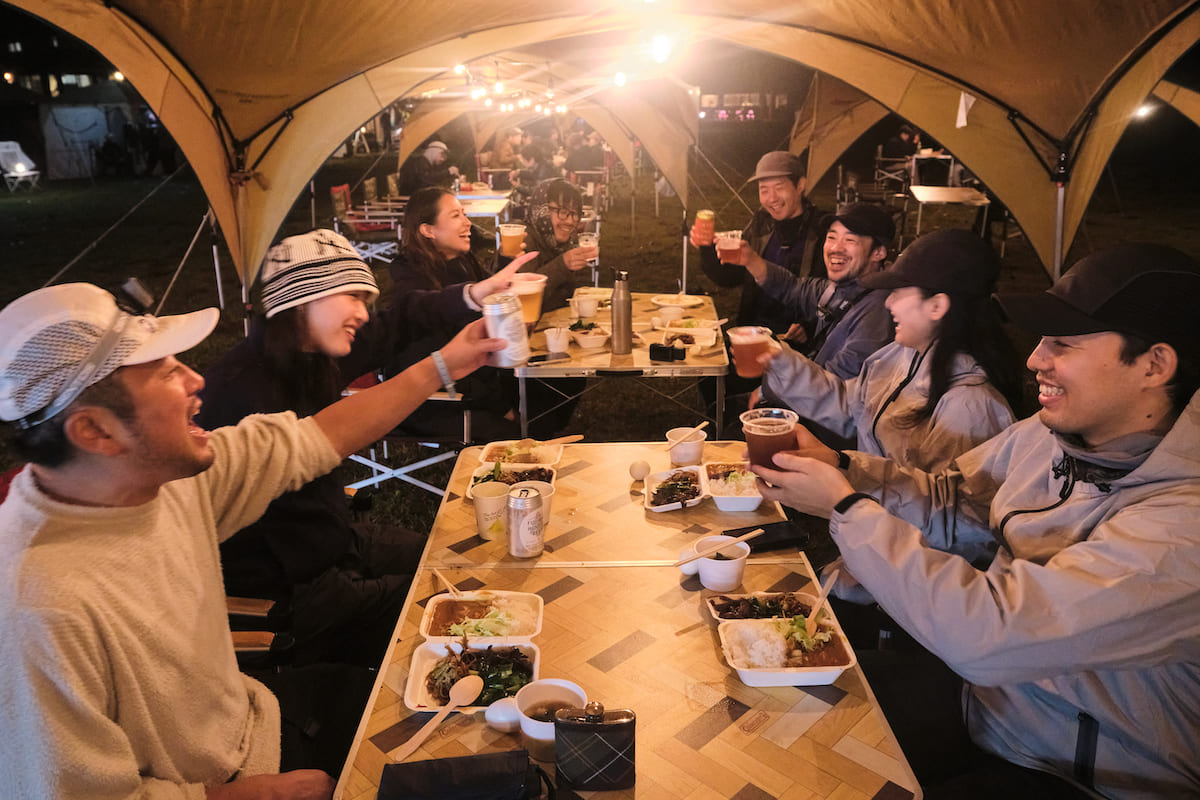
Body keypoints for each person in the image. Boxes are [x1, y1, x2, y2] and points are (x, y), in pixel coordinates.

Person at [0, 281, 504, 798]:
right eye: (166, 372)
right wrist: (257, 793)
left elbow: (318, 436)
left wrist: (445, 364)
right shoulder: (37, 608)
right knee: (458, 772)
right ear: (95, 431)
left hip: (254, 714)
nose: (196, 378)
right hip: (219, 779)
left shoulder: (156, 481)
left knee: (472, 712)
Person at [752, 244, 1200, 799]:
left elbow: (993, 634)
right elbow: (955, 503)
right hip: (985, 706)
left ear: (1155, 365)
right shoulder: (1050, 435)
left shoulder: (1182, 526)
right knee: (787, 701)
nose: (1035, 359)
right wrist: (844, 469)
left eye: (1063, 343)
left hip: (1082, 773)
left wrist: (847, 510)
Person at [197, 229, 528, 666]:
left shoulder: (308, 352)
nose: (362, 313)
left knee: (459, 564)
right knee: (460, 613)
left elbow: (398, 321)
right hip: (292, 592)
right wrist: (440, 367)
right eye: (351, 296)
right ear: (301, 297)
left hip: (337, 541)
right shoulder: (241, 393)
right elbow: (317, 443)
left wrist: (472, 295)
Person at [759, 229, 1020, 475]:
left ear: (937, 306)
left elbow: (941, 504)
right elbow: (851, 406)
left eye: (897, 292)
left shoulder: (970, 407)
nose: (888, 302)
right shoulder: (898, 356)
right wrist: (779, 359)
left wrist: (843, 476)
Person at [386, 186, 524, 439]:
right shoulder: (413, 287)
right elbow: (441, 364)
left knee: (541, 391)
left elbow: (489, 302)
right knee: (516, 434)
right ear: (428, 230)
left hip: (476, 379)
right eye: (455, 215)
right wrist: (501, 406)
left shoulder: (461, 262)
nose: (467, 223)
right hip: (436, 399)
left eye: (464, 214)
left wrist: (506, 260)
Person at [691, 150, 823, 334]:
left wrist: (809, 325)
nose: (772, 198)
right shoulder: (761, 224)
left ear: (800, 185)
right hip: (753, 333)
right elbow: (731, 277)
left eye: (779, 188)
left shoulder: (822, 231)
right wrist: (707, 248)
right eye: (764, 190)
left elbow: (834, 295)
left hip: (795, 342)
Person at [502, 178, 597, 312]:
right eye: (563, 212)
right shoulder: (522, 240)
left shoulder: (560, 242)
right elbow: (524, 302)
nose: (570, 221)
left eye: (575, 214)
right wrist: (562, 264)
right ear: (542, 209)